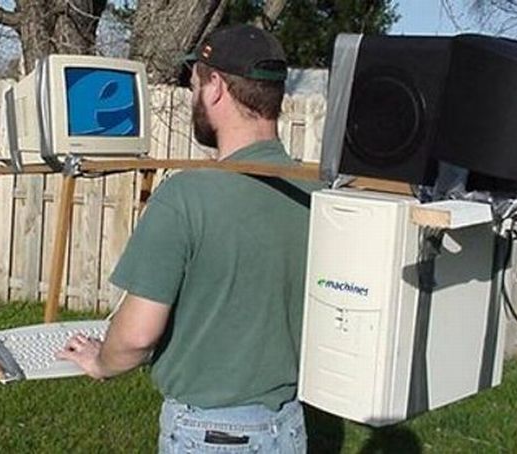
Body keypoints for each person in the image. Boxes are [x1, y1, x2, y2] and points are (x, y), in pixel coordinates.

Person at [57, 24, 322, 453]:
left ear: (215, 87)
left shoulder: (185, 195)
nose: (193, 95)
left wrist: (102, 361)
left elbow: (137, 336)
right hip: (288, 427)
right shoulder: (317, 192)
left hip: (209, 434)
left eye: (195, 84)